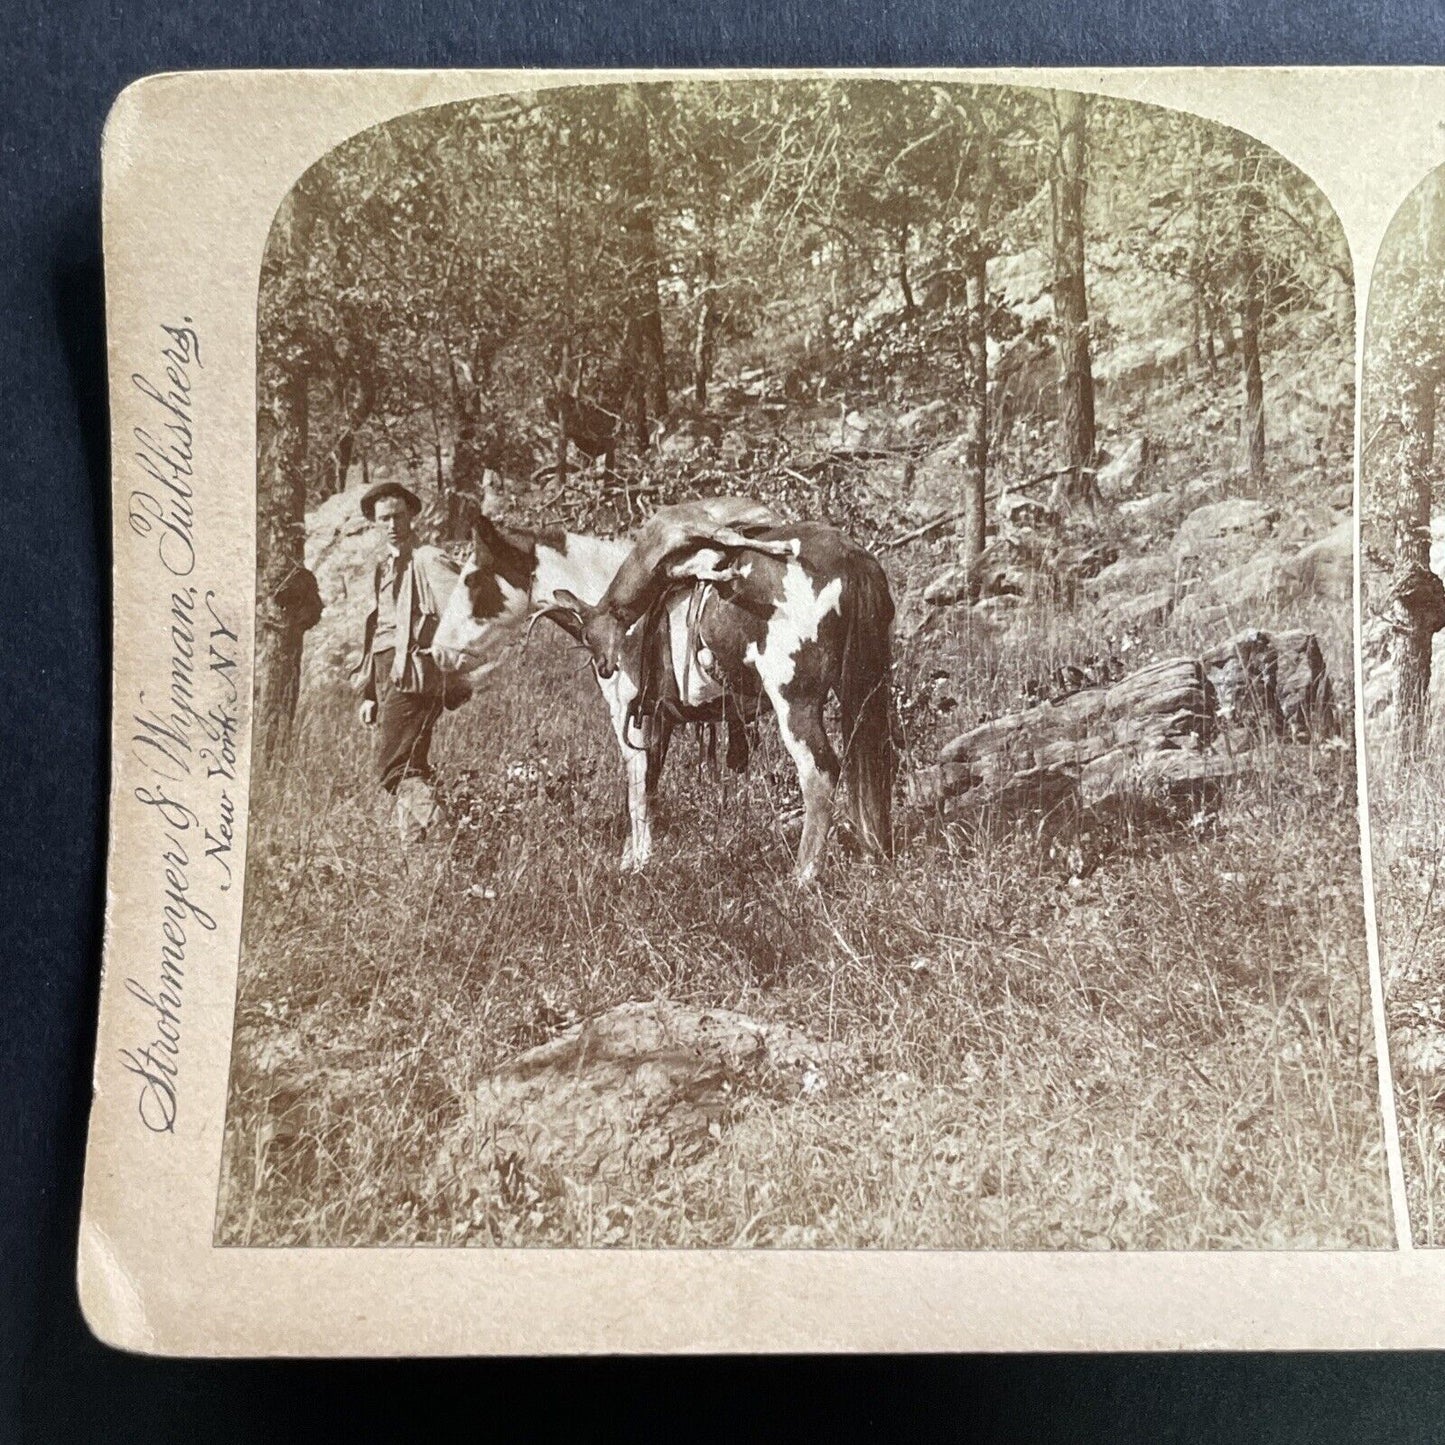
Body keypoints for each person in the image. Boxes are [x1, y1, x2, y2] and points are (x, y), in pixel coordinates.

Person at [353, 479, 468, 841]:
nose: (392, 525)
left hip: (419, 673)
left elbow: (462, 614)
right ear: (374, 523)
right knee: (410, 765)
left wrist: (447, 668)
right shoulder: (383, 567)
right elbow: (376, 632)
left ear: (411, 516)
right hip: (388, 671)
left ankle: (450, 838)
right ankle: (418, 858)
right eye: (384, 518)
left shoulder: (429, 559)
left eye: (398, 516)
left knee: (394, 768)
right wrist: (369, 692)